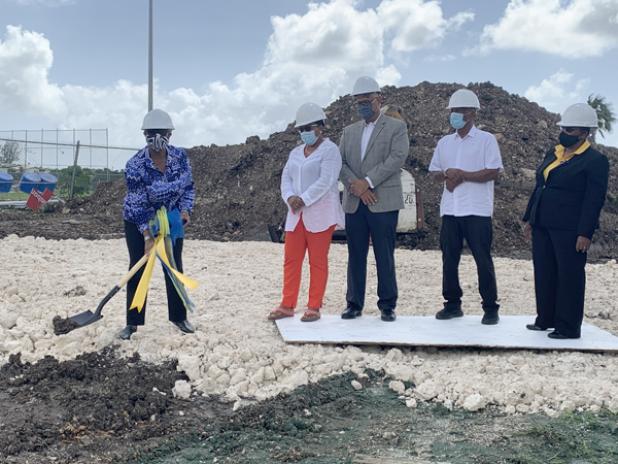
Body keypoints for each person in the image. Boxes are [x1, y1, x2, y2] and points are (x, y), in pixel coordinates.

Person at [523, 103, 609, 339]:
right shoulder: (554, 152)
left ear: (584, 132)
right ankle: (545, 319)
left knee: (569, 275)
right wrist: (531, 218)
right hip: (542, 224)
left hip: (570, 229)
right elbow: (540, 185)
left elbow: (594, 200)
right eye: (564, 128)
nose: (564, 133)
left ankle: (568, 327)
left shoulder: (595, 161)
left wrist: (585, 232)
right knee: (545, 272)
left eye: (570, 130)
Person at [429, 88, 503, 325]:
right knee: (449, 259)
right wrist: (447, 174)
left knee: (482, 259)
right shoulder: (444, 142)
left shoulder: (486, 140)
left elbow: (493, 171)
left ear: (472, 113)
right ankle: (452, 305)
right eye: (453, 111)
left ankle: (490, 308)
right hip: (450, 209)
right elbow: (433, 173)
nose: (455, 115)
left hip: (477, 210)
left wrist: (464, 175)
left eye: (460, 111)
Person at [119, 109, 195, 340]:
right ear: (144, 135)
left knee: (173, 266)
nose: (157, 138)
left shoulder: (180, 158)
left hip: (170, 217)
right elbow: (136, 202)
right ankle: (132, 323)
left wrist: (185, 210)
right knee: (138, 267)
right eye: (151, 134)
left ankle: (179, 317)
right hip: (138, 220)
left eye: (161, 133)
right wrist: (148, 237)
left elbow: (188, 186)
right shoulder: (135, 165)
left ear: (170, 134)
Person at [339, 76, 409, 322]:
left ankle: (387, 305)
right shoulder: (348, 132)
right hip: (355, 201)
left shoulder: (396, 127)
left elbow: (397, 158)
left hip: (383, 200)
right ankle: (354, 303)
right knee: (355, 254)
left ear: (379, 99)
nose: (363, 106)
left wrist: (367, 182)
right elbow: (342, 163)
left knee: (384, 254)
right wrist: (356, 187)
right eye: (358, 103)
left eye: (367, 101)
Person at [268, 103, 345, 322]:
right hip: (295, 214)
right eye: (301, 129)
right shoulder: (294, 152)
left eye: (308, 128)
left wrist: (304, 198)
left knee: (317, 260)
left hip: (320, 214)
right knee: (291, 260)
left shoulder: (330, 151)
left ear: (320, 127)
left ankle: (314, 306)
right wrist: (290, 197)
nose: (304, 133)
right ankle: (287, 305)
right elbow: (286, 178)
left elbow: (326, 180)